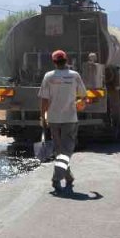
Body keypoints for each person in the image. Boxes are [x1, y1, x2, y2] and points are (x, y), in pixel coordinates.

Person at [40, 49, 87, 192]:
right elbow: (83, 95)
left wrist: (43, 117)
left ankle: (67, 176)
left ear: (54, 62)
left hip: (54, 119)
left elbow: (44, 99)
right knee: (66, 150)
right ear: (66, 60)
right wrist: (80, 102)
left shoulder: (49, 76)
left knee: (60, 149)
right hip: (70, 118)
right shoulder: (74, 76)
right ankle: (57, 178)